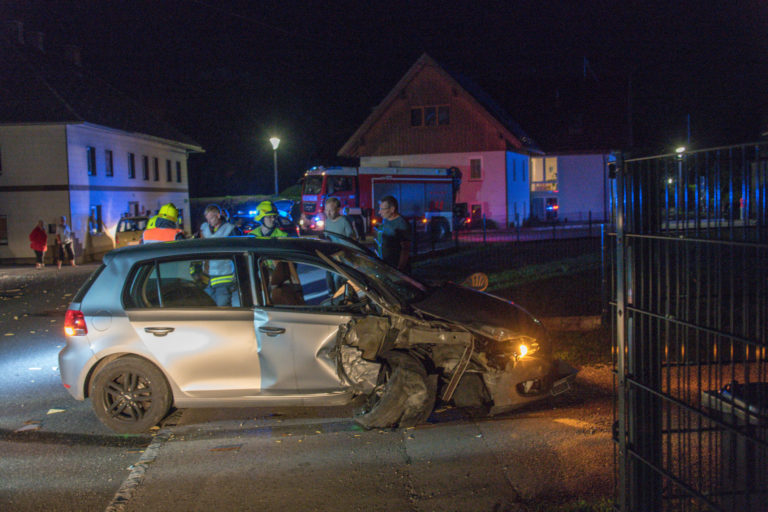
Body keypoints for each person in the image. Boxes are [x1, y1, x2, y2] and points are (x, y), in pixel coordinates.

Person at [200, 204, 239, 306]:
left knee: (222, 307)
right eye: (207, 219)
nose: (209, 222)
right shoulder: (204, 229)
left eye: (211, 218)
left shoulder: (230, 230)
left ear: (218, 215)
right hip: (208, 278)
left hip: (224, 277)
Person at [377, 195, 412, 272]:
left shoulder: (402, 224)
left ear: (392, 209)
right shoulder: (386, 220)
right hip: (386, 265)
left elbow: (405, 249)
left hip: (395, 268)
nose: (379, 212)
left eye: (382, 209)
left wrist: (399, 269)